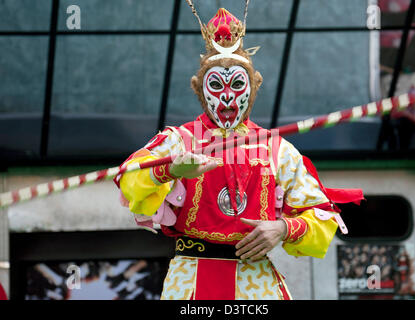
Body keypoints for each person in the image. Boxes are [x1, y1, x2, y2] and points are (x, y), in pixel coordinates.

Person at [115, 4, 362, 300]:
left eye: (237, 84)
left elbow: (321, 218)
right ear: (198, 89)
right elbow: (128, 177)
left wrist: (283, 228)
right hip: (191, 280)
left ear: (254, 86)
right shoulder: (178, 141)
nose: (228, 96)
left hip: (255, 282)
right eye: (216, 85)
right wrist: (170, 169)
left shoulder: (278, 149)